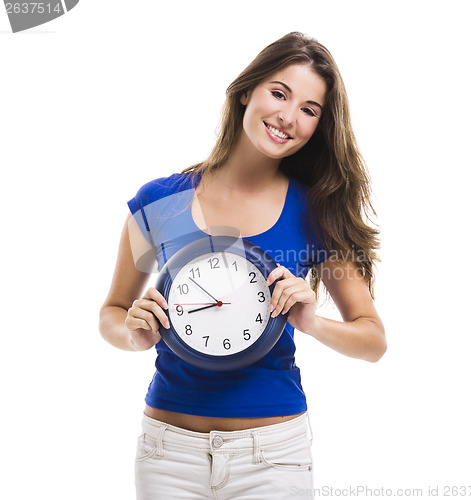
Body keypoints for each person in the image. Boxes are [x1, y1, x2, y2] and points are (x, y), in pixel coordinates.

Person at [99, 31, 387, 500]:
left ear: (318, 126)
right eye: (279, 93)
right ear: (245, 92)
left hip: (272, 456)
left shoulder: (317, 212)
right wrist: (132, 333)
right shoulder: (160, 201)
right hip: (168, 452)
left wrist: (312, 322)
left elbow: (372, 340)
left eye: (310, 110)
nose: (288, 117)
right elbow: (112, 311)